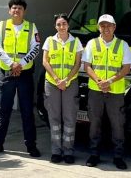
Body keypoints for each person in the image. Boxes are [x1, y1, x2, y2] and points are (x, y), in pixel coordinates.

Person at [0, 0, 41, 157]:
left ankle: (31, 146)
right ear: (9, 10)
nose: (17, 10)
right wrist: (11, 64)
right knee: (3, 110)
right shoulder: (1, 26)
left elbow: (35, 47)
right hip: (7, 74)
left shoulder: (31, 27)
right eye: (14, 8)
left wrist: (20, 64)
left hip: (25, 75)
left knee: (27, 111)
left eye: (20, 8)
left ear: (24, 11)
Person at [83, 14, 131, 170]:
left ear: (114, 27)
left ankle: (118, 156)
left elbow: (126, 68)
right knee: (94, 124)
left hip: (115, 91)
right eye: (102, 25)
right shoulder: (92, 43)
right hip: (96, 90)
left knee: (117, 125)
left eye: (109, 25)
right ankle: (94, 154)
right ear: (98, 28)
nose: (106, 28)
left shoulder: (122, 45)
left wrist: (109, 81)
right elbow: (87, 66)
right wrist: (99, 81)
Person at [42, 13, 83, 164]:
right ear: (55, 26)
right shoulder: (49, 41)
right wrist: (57, 79)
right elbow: (45, 62)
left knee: (69, 118)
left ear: (68, 25)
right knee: (54, 118)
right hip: (52, 83)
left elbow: (78, 64)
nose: (61, 27)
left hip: (70, 83)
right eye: (59, 24)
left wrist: (66, 80)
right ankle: (56, 151)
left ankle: (68, 151)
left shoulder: (76, 42)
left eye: (64, 23)